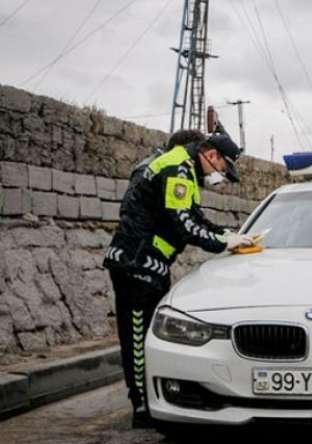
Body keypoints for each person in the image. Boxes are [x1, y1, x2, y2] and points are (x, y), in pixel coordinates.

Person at [103, 130, 255, 427]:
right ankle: (143, 407)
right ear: (211, 156)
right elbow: (184, 225)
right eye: (223, 169)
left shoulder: (181, 168)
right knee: (137, 338)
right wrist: (223, 244)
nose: (221, 176)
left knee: (147, 336)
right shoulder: (178, 169)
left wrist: (227, 234)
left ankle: (149, 400)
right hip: (136, 264)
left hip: (148, 264)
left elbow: (194, 216)